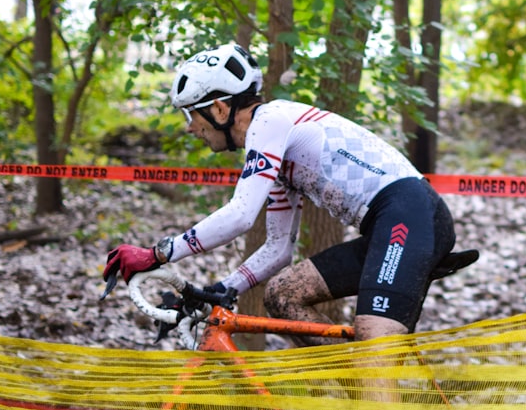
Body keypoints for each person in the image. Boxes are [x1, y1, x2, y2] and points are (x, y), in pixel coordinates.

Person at [103, 41, 470, 344]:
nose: (189, 129)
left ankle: (375, 406)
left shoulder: (271, 120)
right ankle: (357, 393)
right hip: (389, 228)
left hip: (409, 215)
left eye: (190, 116)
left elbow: (242, 214)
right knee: (283, 295)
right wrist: (223, 288)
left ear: (218, 108)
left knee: (375, 354)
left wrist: (158, 254)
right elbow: (278, 248)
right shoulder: (272, 153)